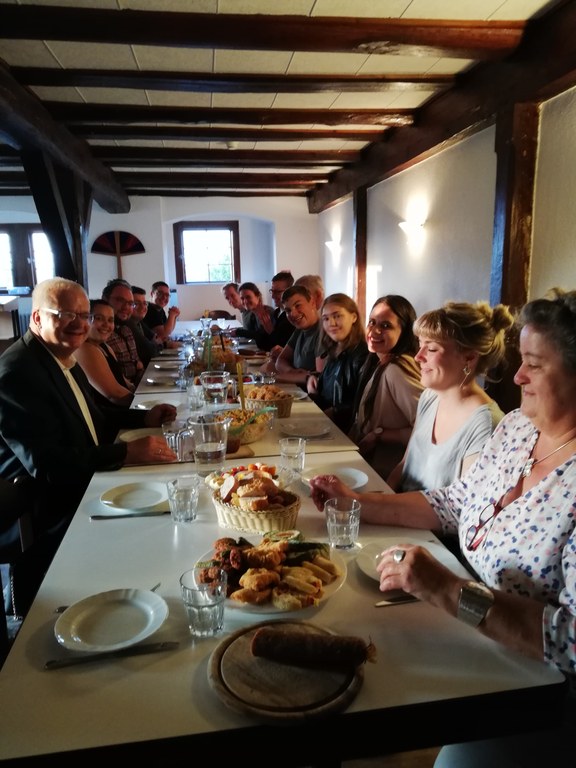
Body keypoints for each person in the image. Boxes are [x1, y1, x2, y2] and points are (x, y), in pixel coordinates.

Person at [310, 287, 576, 766]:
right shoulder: (519, 426)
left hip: (538, 700)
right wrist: (355, 502)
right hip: (471, 641)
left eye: (534, 364)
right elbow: (455, 502)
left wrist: (450, 591)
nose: (516, 375)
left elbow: (573, 640)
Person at [0, 278, 177, 612]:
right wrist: (126, 451)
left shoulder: (58, 356)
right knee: (166, 520)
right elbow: (47, 464)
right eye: (67, 314)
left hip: (89, 480)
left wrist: (145, 418)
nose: (80, 324)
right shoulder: (18, 373)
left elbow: (93, 416)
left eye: (84, 315)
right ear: (37, 318)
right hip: (54, 509)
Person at [386, 300, 514, 492]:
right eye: (420, 345)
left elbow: (462, 509)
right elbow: (405, 464)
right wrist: (383, 499)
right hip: (397, 513)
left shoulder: (487, 425)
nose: (418, 357)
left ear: (469, 358)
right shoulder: (429, 397)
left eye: (431, 349)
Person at [348, 295, 424, 479]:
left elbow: (427, 426)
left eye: (385, 326)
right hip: (370, 465)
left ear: (405, 332)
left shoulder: (397, 370)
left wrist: (380, 435)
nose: (373, 331)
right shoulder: (379, 361)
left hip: (386, 472)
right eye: (372, 322)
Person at [308, 293, 369, 432]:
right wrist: (313, 381)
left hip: (344, 433)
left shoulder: (363, 355)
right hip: (326, 426)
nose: (331, 324)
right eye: (326, 318)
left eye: (337, 316)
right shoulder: (334, 349)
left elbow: (360, 403)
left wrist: (332, 413)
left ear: (354, 317)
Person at [75, 298, 135, 407]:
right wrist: (145, 406)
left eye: (110, 320)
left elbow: (126, 383)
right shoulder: (85, 349)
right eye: (99, 318)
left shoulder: (105, 347)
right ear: (85, 320)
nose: (106, 325)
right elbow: (115, 395)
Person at [274, 284, 324, 386]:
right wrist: (292, 372)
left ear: (313, 303)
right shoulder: (299, 330)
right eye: (288, 310)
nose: (293, 314)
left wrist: (282, 376)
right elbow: (280, 360)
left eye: (298, 305)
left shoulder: (323, 331)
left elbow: (319, 377)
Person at [101, 278, 144, 385]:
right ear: (105, 299)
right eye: (120, 300)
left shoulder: (126, 330)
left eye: (130, 303)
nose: (126, 307)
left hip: (139, 387)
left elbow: (139, 365)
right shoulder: (100, 334)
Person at [253, 270, 294, 353]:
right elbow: (262, 344)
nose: (272, 296)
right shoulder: (276, 313)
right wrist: (263, 326)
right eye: (272, 291)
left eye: (277, 292)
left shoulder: (291, 316)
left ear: (289, 291)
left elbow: (281, 348)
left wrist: (271, 330)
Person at [128, 285, 163, 366]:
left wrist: (155, 343)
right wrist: (158, 344)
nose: (142, 307)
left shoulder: (139, 322)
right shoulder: (129, 325)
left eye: (144, 303)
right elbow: (150, 351)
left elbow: (157, 338)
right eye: (136, 304)